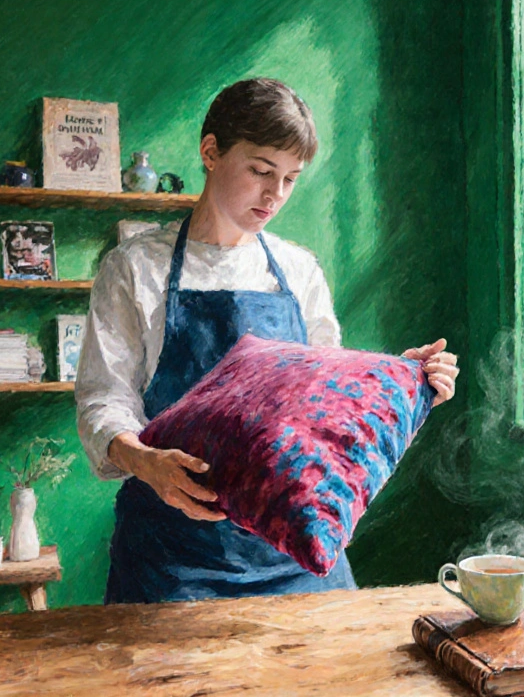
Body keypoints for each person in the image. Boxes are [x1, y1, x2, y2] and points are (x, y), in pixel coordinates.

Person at [75, 78, 460, 605]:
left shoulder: (298, 270)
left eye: (291, 179)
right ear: (211, 152)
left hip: (294, 556)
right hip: (173, 559)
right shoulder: (135, 268)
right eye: (260, 171)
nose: (275, 193)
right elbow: (104, 398)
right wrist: (148, 465)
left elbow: (324, 402)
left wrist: (398, 377)